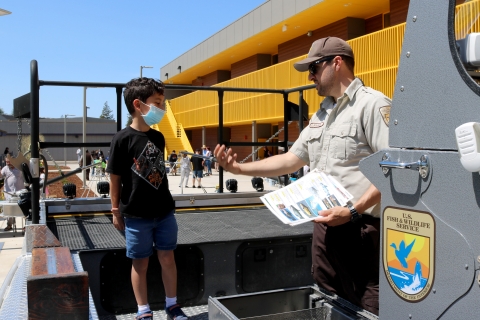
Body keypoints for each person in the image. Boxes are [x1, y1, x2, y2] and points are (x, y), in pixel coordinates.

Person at [214, 36, 391, 315]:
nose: (310, 76)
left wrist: (352, 211)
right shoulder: (322, 113)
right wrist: (239, 169)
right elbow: (291, 159)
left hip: (360, 228)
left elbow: (390, 166)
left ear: (337, 63)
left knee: (368, 305)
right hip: (325, 227)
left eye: (314, 68)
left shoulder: (372, 105)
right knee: (329, 298)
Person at [106, 77, 188, 320]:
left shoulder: (159, 137)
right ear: (139, 105)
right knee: (139, 264)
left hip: (164, 213)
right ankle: (143, 310)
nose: (161, 109)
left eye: (162, 103)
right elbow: (114, 178)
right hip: (136, 216)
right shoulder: (122, 139)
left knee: (168, 257)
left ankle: (172, 305)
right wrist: (115, 210)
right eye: (158, 102)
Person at [1, 158, 25, 231]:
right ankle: (9, 225)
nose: (7, 163)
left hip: (20, 192)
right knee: (9, 209)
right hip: (9, 192)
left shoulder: (19, 168)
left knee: (23, 208)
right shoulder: (5, 168)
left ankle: (25, 225)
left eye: (8, 161)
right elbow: (1, 176)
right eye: (6, 162)